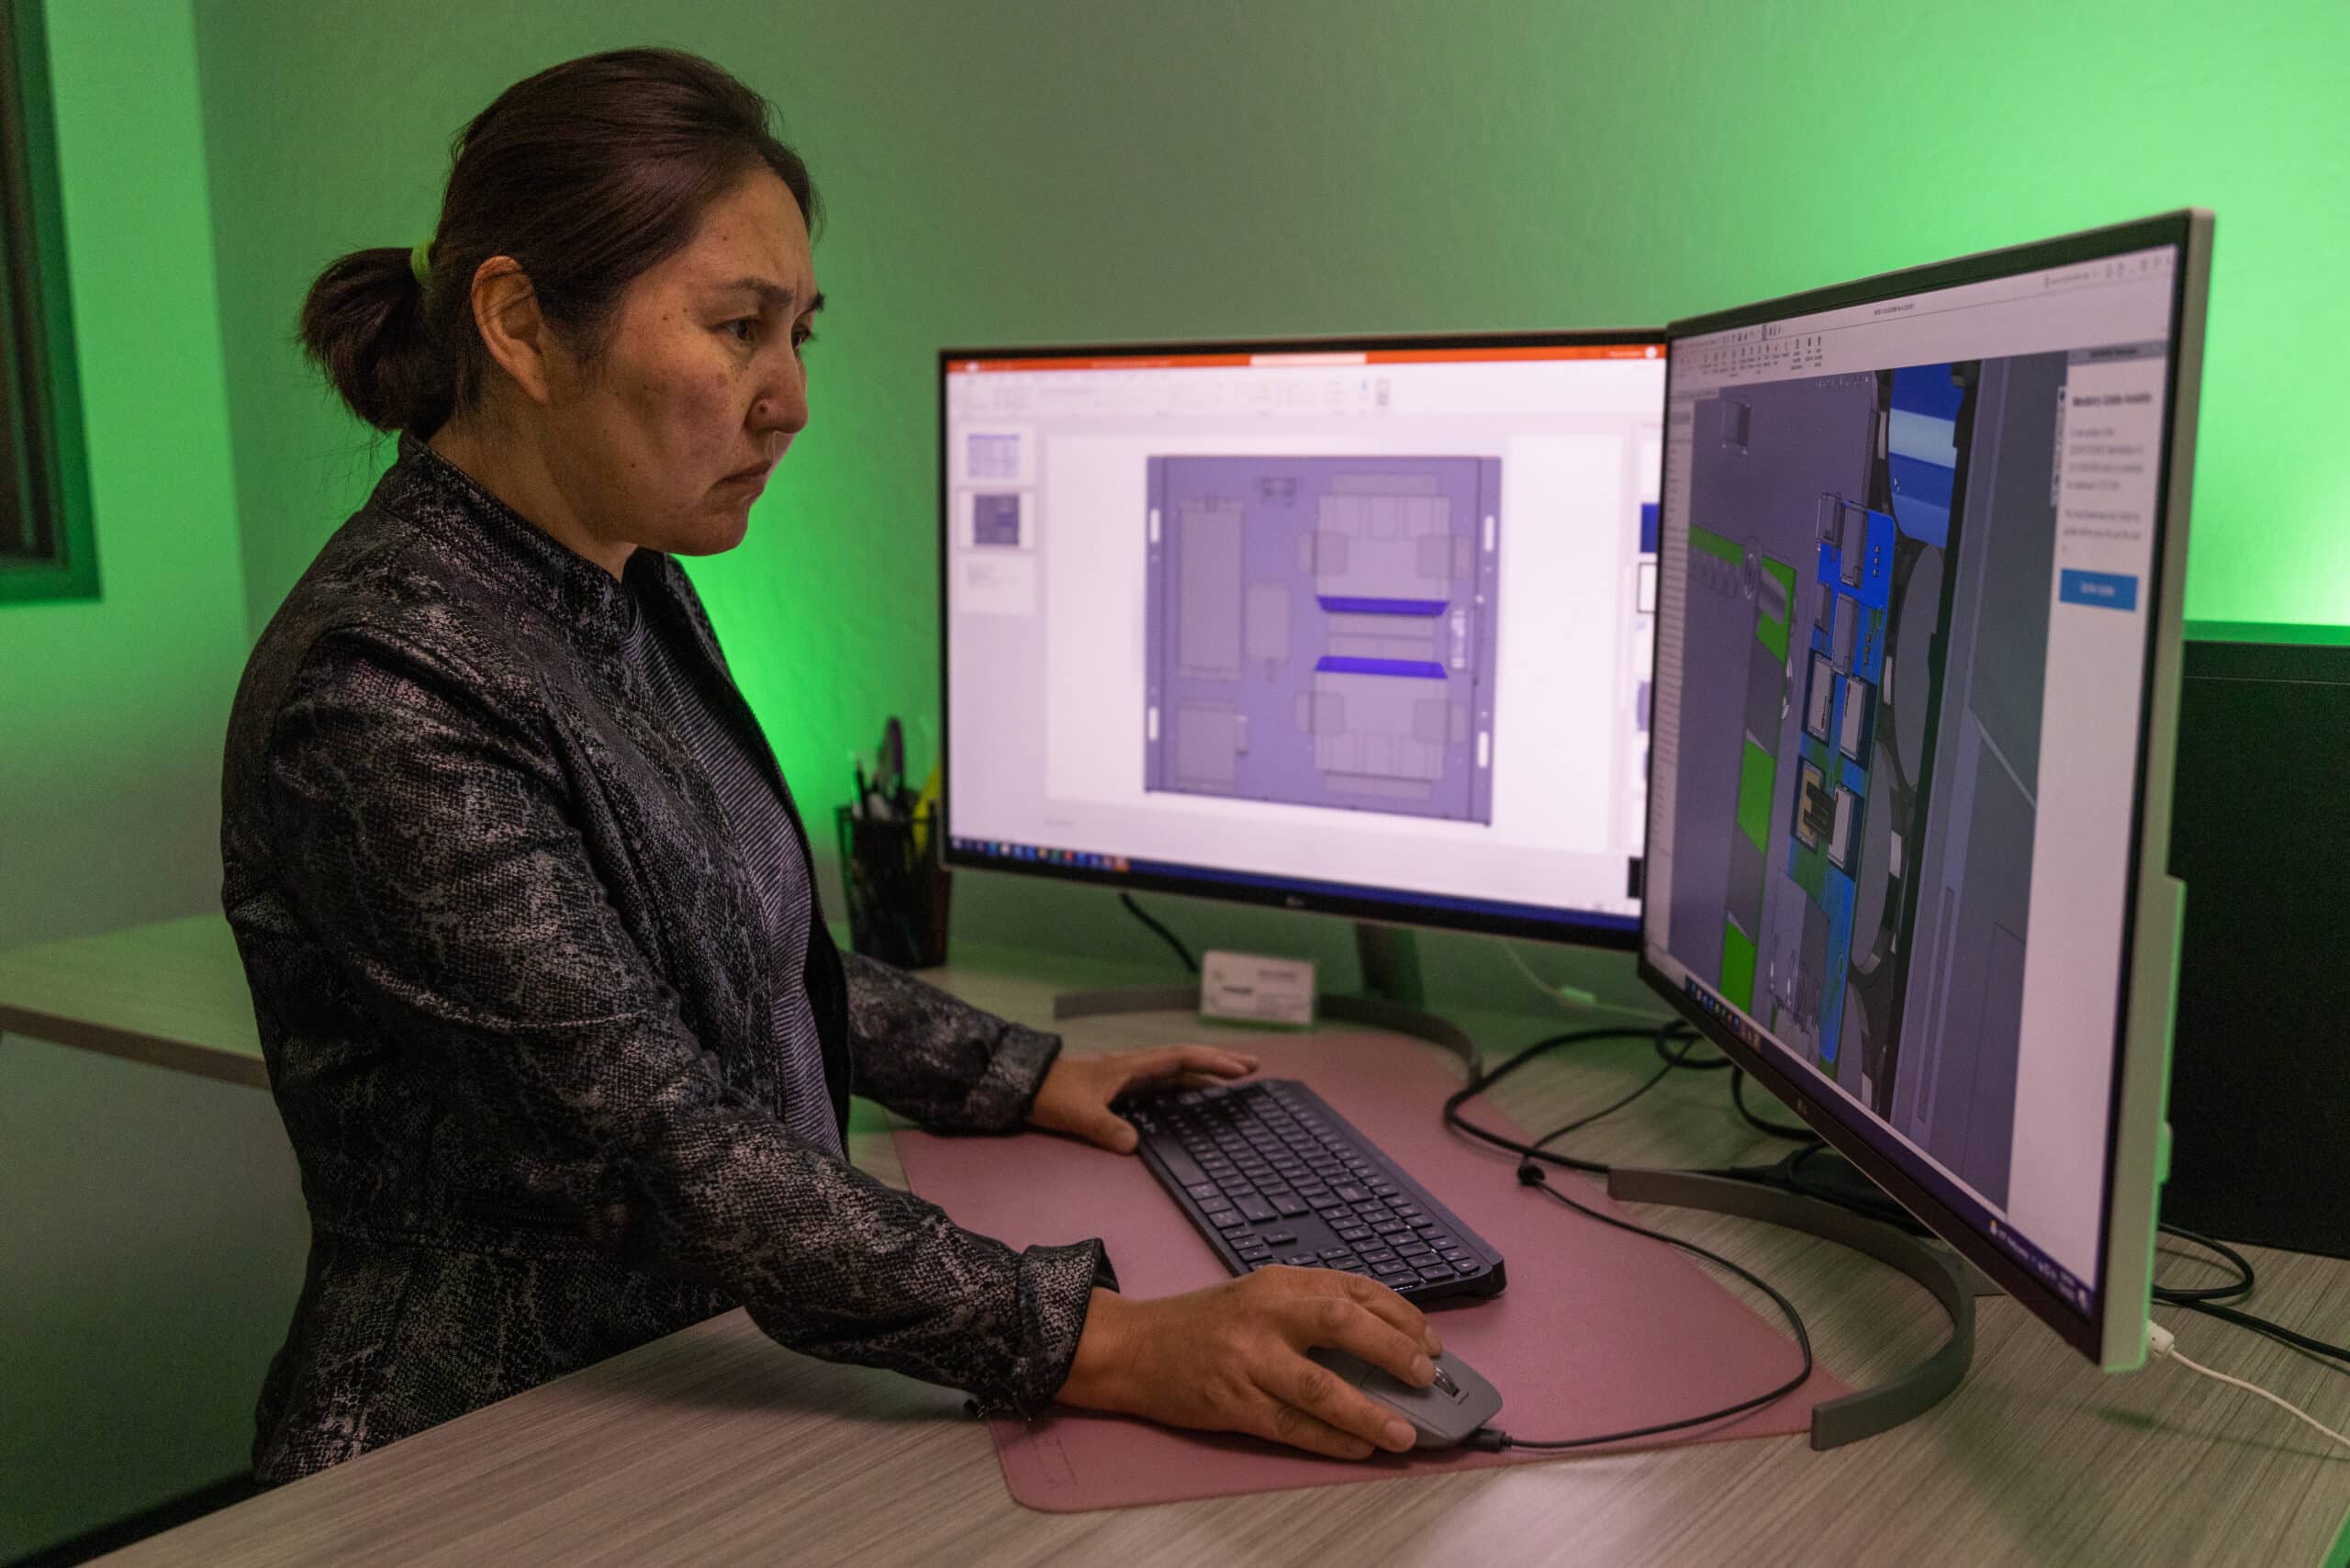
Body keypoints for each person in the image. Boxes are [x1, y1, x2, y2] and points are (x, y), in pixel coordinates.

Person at [220, 47, 1441, 1485]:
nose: (789, 397)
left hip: (676, 1379)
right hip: (470, 1454)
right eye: (737, 328)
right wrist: (1104, 1341)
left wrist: (1020, 1073)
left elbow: (721, 940)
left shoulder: (612, 572)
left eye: (801, 333)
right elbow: (660, 1143)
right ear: (521, 326)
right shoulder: (383, 691)